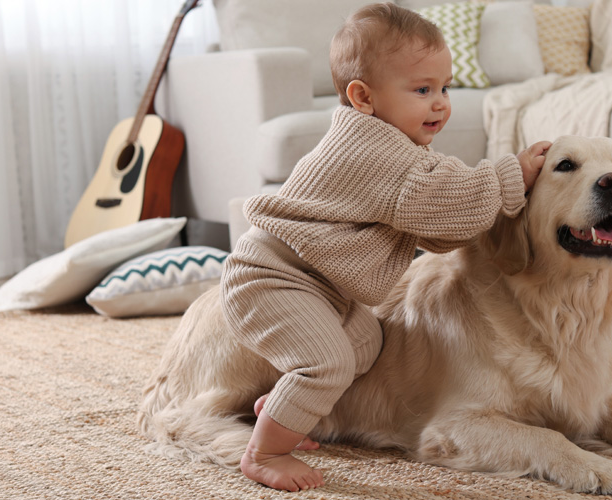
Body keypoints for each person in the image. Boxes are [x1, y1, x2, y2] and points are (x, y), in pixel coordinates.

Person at [219, 2, 551, 492]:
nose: (440, 103)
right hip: (272, 277)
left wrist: (485, 208)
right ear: (363, 97)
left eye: (445, 88)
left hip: (317, 284)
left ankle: (284, 404)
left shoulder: (397, 149)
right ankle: (265, 451)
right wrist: (511, 175)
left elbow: (439, 227)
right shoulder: (372, 150)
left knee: (368, 343)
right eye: (422, 90)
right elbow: (443, 197)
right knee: (327, 362)